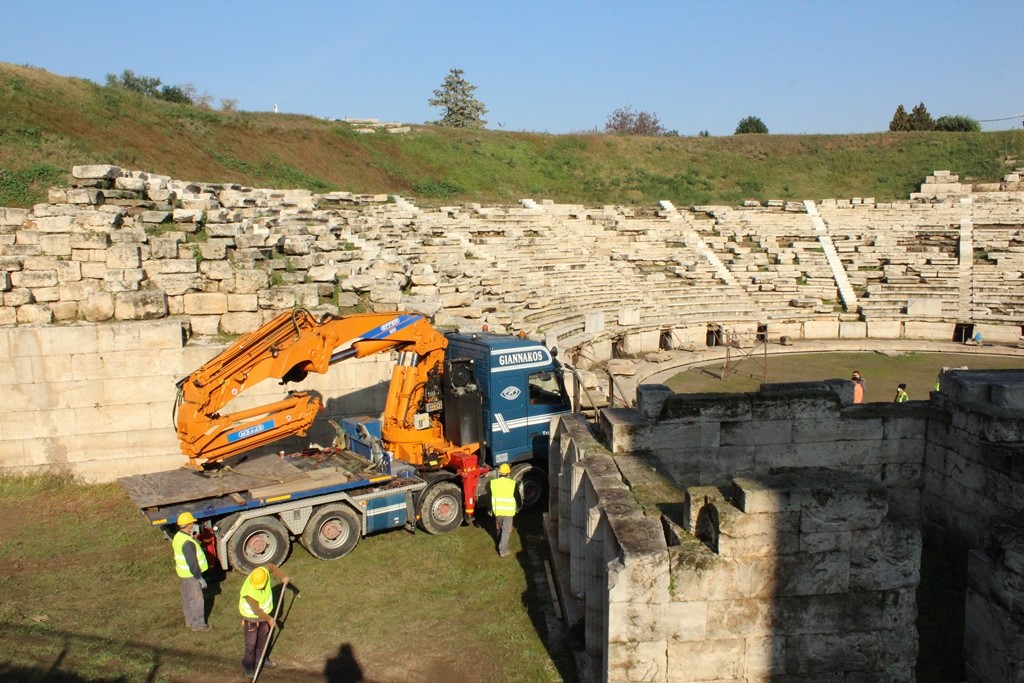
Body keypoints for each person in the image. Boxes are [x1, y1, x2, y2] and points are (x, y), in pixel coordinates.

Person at [240, 563, 289, 678]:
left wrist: (283, 576)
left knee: (264, 639)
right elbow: (256, 610)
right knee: (251, 643)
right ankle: (248, 666)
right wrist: (269, 619)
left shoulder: (262, 572)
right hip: (251, 619)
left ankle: (262, 659)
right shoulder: (249, 592)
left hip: (264, 616)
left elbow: (271, 567)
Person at [172, 512, 212, 632]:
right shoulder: (187, 543)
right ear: (188, 524)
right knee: (196, 600)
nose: (193, 524)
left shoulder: (178, 537)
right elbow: (192, 562)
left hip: (184, 575)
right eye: (192, 523)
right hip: (192, 576)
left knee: (188, 599)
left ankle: (190, 622)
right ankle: (198, 625)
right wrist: (199, 577)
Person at [489, 463, 518, 558]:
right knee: (506, 530)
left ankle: (499, 543)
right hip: (508, 512)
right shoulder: (512, 484)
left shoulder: (493, 483)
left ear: (499, 473)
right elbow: (517, 498)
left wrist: (489, 509)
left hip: (498, 511)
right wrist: (519, 507)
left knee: (499, 528)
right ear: (508, 474)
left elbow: (489, 498)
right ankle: (503, 550)